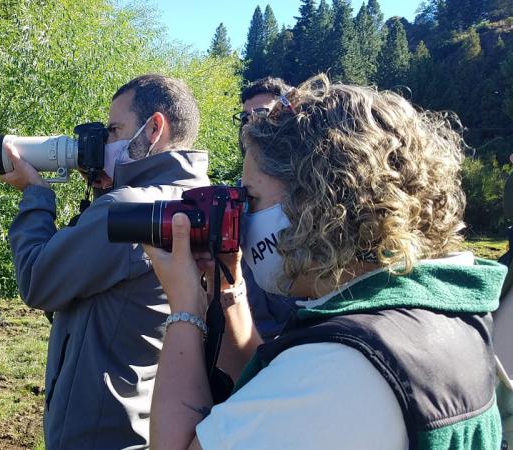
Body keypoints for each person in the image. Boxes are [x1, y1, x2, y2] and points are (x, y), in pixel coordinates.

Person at [145, 74, 504, 449]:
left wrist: (185, 307)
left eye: (250, 199)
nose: (243, 218)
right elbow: (263, 394)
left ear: (316, 204)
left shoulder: (340, 366)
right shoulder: (435, 315)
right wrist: (227, 285)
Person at [0, 74, 210, 449]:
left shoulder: (128, 210)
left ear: (155, 127)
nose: (106, 142)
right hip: (143, 422)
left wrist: (36, 195)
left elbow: (38, 281)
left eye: (114, 130)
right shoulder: (193, 199)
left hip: (97, 431)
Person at [235, 76, 303, 339]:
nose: (251, 126)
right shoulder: (239, 191)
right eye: (245, 119)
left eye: (263, 115)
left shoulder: (316, 193)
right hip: (247, 338)